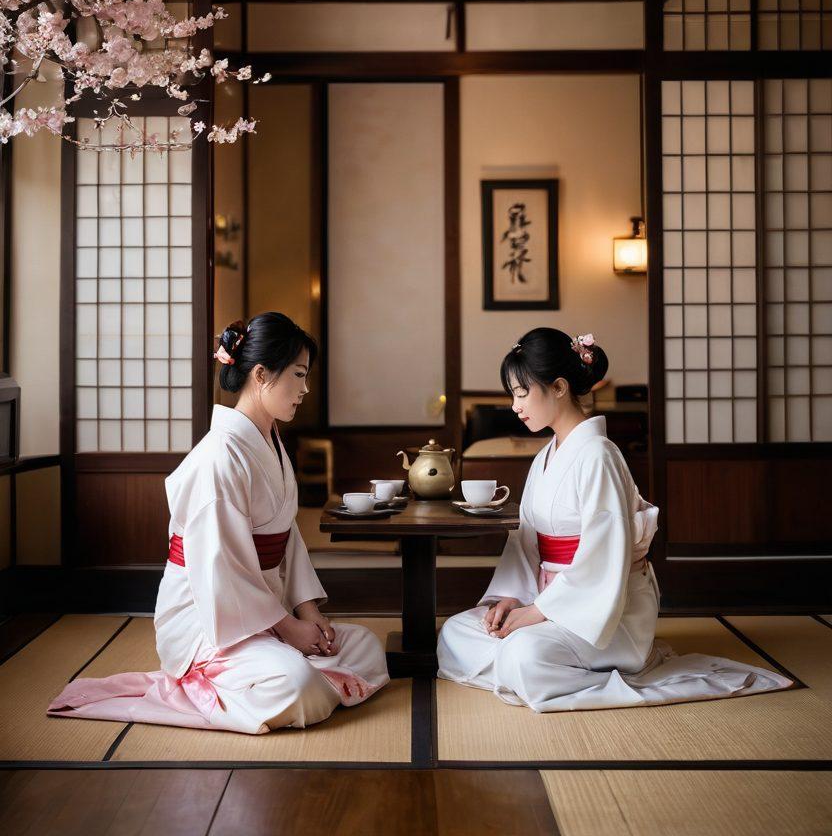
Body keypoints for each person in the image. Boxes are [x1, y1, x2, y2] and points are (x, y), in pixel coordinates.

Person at [49, 312, 389, 733]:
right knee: (295, 683)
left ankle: (291, 673)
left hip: (262, 612)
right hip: (208, 623)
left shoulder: (270, 442)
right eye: (298, 375)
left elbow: (287, 535)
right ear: (261, 375)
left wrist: (307, 609)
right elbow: (220, 570)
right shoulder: (219, 458)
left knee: (367, 646)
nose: (305, 389)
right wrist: (290, 629)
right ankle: (231, 679)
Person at [437, 327, 792, 711]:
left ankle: (595, 666)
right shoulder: (546, 457)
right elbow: (525, 543)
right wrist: (512, 599)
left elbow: (603, 555)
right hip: (548, 600)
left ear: (558, 387)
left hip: (607, 612)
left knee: (523, 655)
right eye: (512, 395)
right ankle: (534, 669)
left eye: (521, 393)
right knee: (454, 634)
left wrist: (537, 613)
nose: (514, 405)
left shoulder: (598, 455)